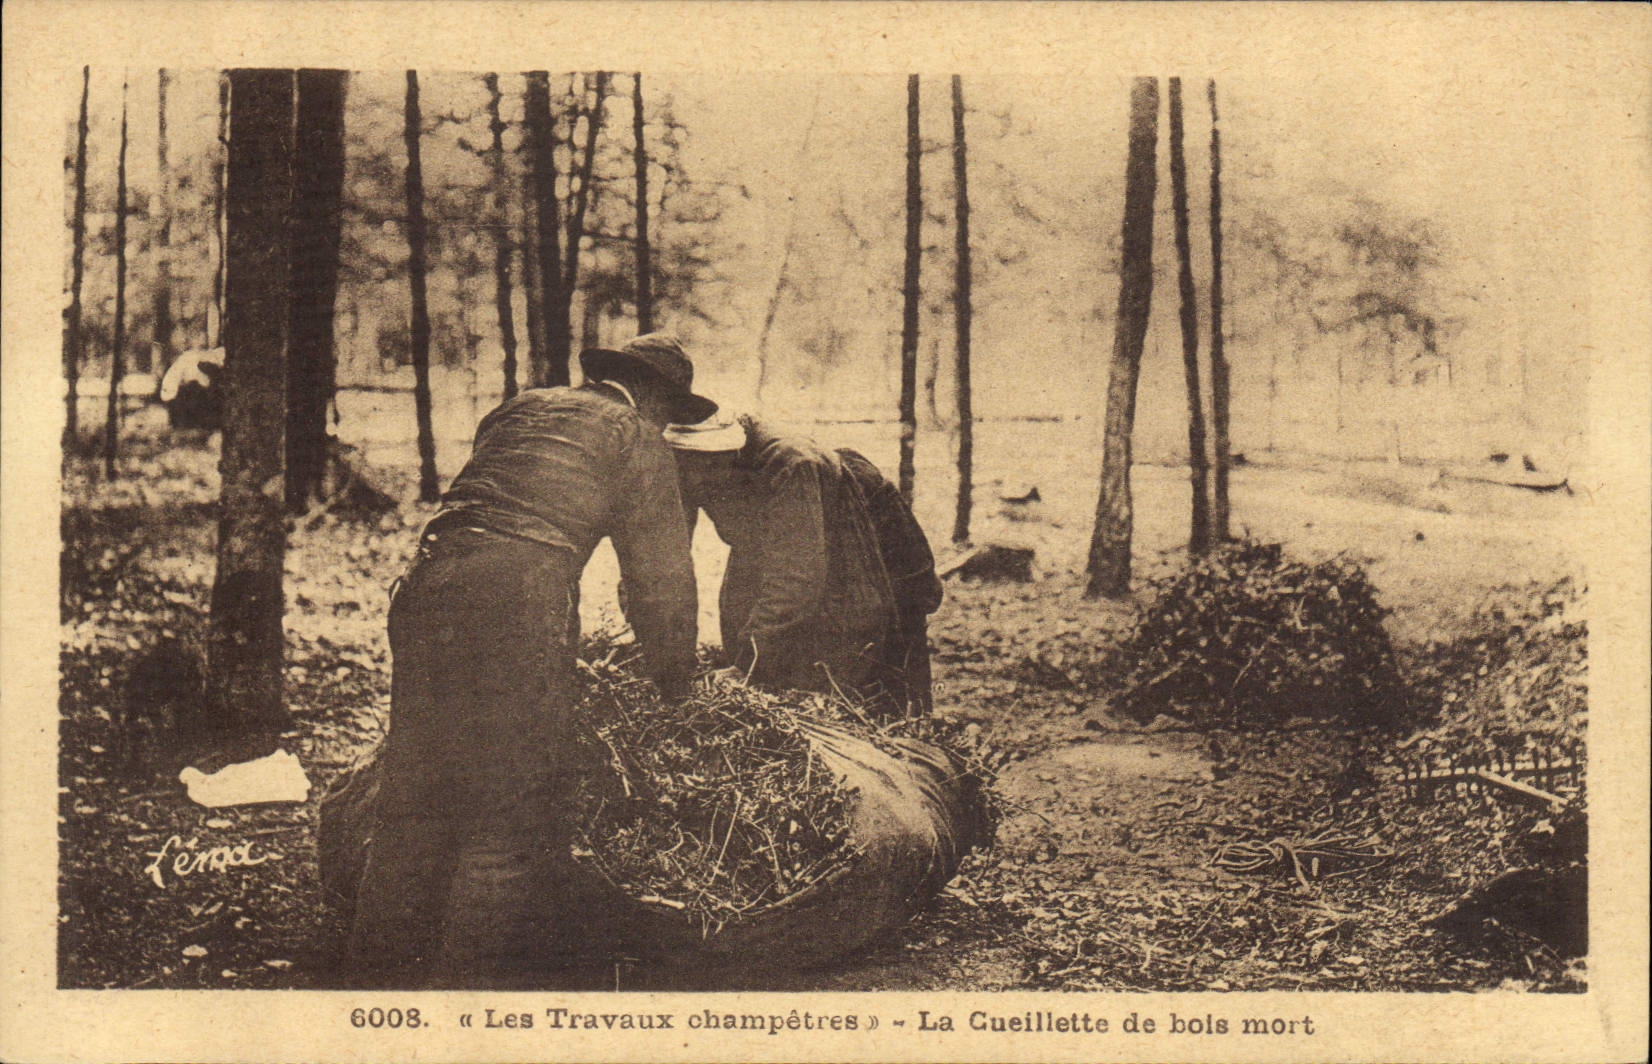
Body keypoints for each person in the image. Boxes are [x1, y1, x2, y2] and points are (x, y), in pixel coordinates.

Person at [346, 332, 714, 988]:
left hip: (428, 582)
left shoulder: (523, 408)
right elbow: (661, 582)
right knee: (509, 810)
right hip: (515, 598)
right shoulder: (636, 436)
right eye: (669, 410)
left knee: (413, 797)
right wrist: (675, 681)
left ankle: (371, 987)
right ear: (655, 396)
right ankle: (463, 1002)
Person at [668, 415, 942, 719]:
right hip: (784, 539)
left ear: (730, 454)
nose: (696, 482)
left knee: (874, 657)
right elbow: (663, 560)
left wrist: (748, 664)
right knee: (747, 630)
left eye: (705, 470)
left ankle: (906, 736)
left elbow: (796, 578)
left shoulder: (791, 464)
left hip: (865, 534)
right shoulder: (687, 465)